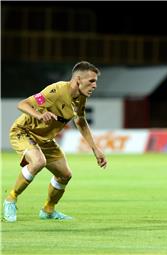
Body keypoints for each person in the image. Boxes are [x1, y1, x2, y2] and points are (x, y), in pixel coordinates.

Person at [3, 61, 107, 222]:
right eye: (91, 81)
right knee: (38, 162)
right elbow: (22, 104)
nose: (94, 85)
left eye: (95, 82)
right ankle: (10, 199)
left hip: (45, 139)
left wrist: (95, 149)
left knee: (65, 175)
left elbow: (80, 121)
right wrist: (39, 115)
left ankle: (48, 210)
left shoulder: (80, 98)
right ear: (78, 80)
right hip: (24, 131)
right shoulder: (56, 91)